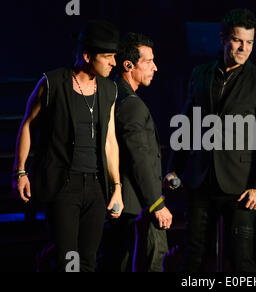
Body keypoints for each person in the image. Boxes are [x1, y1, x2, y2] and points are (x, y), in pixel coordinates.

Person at [165, 8, 256, 272]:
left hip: (241, 185)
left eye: (249, 42)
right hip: (200, 180)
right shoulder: (200, 74)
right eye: (238, 40)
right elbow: (187, 123)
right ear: (223, 38)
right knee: (192, 256)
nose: (244, 47)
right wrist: (174, 168)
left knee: (241, 261)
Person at [12, 20, 123, 272]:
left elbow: (110, 140)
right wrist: (20, 171)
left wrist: (116, 187)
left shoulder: (109, 89)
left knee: (88, 261)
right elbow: (27, 125)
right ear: (87, 55)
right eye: (107, 56)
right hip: (63, 183)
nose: (113, 63)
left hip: (96, 186)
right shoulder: (52, 83)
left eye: (114, 57)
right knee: (67, 261)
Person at [98, 32, 171, 272]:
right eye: (148, 62)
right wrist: (157, 203)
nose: (155, 67)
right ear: (128, 65)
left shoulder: (115, 95)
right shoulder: (131, 104)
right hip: (131, 204)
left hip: (122, 203)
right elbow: (138, 158)